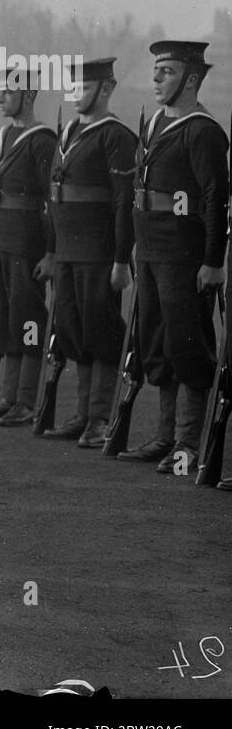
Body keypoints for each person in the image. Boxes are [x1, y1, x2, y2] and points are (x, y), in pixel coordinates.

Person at [121, 41, 228, 473]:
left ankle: (187, 445)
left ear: (191, 79)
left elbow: (216, 197)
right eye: (156, 70)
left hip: (184, 255)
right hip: (149, 251)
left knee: (187, 345)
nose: (156, 78)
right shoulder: (154, 124)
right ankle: (165, 437)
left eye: (166, 71)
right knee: (157, 344)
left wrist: (213, 261)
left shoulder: (203, 130)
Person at [34, 59, 135, 445]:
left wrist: (121, 260)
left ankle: (99, 418)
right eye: (71, 87)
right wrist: (51, 251)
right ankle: (81, 414)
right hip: (67, 252)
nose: (75, 93)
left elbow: (124, 204)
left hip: (98, 252)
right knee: (73, 330)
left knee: (101, 330)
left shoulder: (116, 137)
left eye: (83, 86)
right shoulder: (68, 133)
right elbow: (54, 201)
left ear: (106, 89)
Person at [0, 77, 56, 424]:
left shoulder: (43, 140)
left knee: (28, 318)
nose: (1, 98)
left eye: (9, 92)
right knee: (3, 316)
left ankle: (25, 399)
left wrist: (51, 251)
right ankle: (7, 397)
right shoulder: (1, 136)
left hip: (27, 242)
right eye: (0, 92)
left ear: (29, 95)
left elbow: (51, 201)